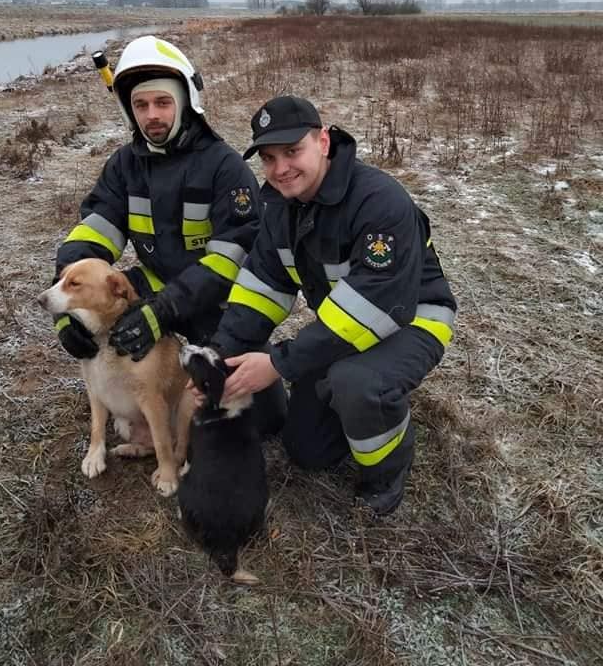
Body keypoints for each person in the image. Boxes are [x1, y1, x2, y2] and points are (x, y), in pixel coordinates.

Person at [208, 95, 457, 515]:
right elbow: (261, 288)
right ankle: (360, 408)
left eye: (292, 151)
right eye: (269, 158)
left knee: (356, 382)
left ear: (323, 141)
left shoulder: (379, 201)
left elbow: (377, 305)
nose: (281, 168)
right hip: (343, 327)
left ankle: (387, 469)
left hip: (412, 321)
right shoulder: (279, 209)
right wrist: (221, 352)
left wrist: (280, 364)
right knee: (306, 451)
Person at [52, 35, 286, 433]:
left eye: (162, 102)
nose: (152, 115)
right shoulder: (124, 166)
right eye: (140, 105)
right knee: (98, 319)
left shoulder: (224, 168)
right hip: (153, 287)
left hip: (214, 303)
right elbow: (89, 237)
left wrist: (163, 312)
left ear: (185, 103)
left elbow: (233, 259)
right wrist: (66, 307)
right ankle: (134, 403)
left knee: (262, 421)